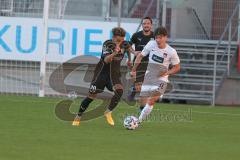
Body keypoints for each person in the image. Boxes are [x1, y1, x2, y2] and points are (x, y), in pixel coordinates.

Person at [72, 27, 131, 126]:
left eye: (122, 39)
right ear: (114, 38)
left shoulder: (124, 44)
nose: (120, 42)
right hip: (101, 75)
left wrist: (129, 59)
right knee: (91, 97)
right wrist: (114, 53)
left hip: (113, 76)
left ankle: (108, 112)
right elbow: (106, 60)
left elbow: (128, 48)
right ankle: (78, 117)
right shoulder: (107, 44)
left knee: (119, 91)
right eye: (118, 40)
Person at [131, 26, 181, 123]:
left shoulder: (171, 51)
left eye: (160, 37)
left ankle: (138, 121)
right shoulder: (151, 44)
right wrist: (133, 70)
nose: (158, 40)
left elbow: (177, 67)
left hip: (162, 79)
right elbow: (140, 56)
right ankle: (142, 113)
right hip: (149, 76)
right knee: (142, 101)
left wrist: (166, 72)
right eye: (156, 37)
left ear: (166, 37)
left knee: (152, 100)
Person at [128, 17, 154, 109]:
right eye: (144, 24)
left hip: (150, 64)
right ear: (142, 25)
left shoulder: (155, 36)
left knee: (145, 87)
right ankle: (134, 90)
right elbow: (128, 46)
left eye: (148, 23)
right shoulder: (136, 35)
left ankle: (141, 107)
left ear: (151, 25)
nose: (146, 25)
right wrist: (134, 52)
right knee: (140, 86)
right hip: (138, 63)